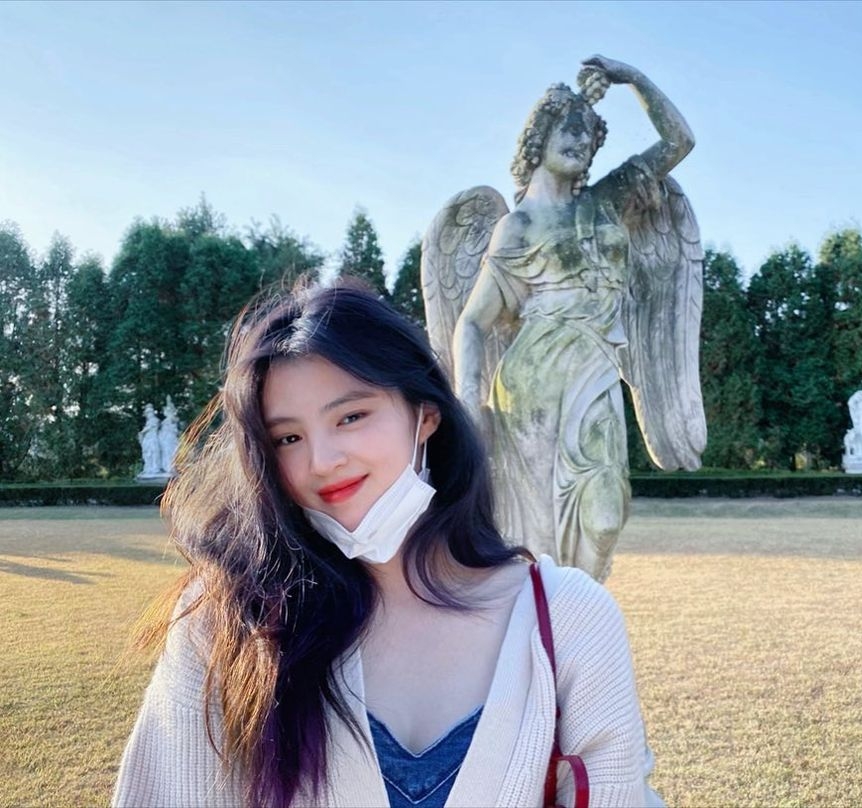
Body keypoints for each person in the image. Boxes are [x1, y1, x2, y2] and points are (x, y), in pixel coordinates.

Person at [112, 278, 661, 808]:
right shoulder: (229, 618)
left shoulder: (569, 617)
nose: (322, 461)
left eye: (351, 416)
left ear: (425, 415)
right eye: (288, 438)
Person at [446, 55, 703, 582]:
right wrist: (468, 399)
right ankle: (551, 619)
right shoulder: (516, 227)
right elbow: (471, 322)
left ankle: (580, 608)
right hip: (531, 385)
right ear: (537, 138)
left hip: (598, 370)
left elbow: (679, 141)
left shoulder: (607, 202)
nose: (580, 140)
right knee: (533, 534)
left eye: (588, 133)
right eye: (568, 127)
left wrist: (634, 78)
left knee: (605, 517)